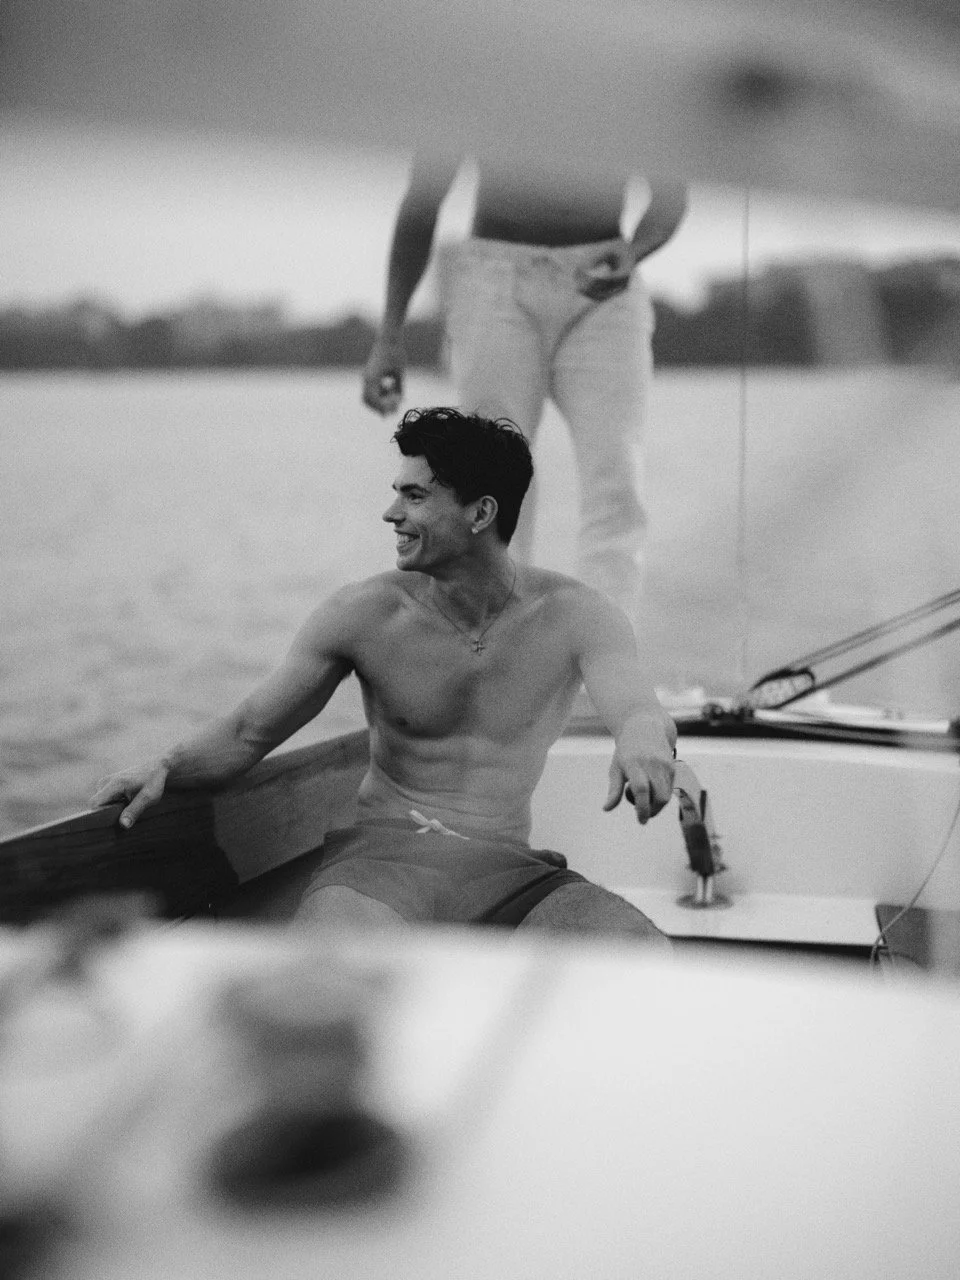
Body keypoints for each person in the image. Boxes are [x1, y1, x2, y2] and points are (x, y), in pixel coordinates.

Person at [92, 408, 677, 943]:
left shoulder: (577, 615)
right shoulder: (364, 614)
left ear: (481, 513)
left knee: (638, 951)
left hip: (508, 868)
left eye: (415, 496)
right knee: (334, 956)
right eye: (397, 493)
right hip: (383, 860)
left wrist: (642, 742)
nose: (392, 512)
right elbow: (250, 731)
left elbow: (635, 709)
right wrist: (165, 765)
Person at [362, 159, 687, 628]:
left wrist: (636, 251)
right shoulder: (476, 83)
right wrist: (389, 334)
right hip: (494, 280)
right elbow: (421, 201)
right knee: (490, 479)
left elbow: (671, 191)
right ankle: (499, 653)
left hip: (607, 285)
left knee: (617, 476)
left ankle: (606, 656)